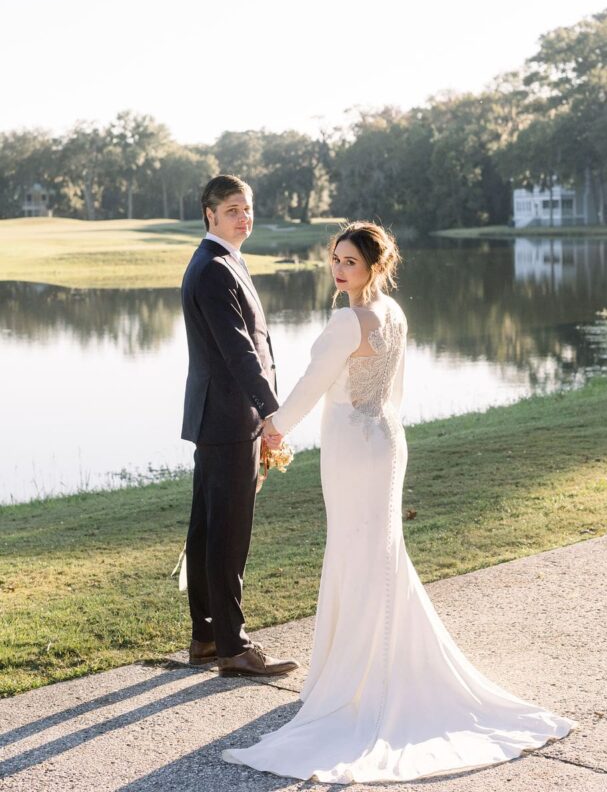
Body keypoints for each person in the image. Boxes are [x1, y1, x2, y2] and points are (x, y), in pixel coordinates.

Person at [222, 220, 574, 783]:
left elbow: (312, 387)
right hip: (385, 439)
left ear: (373, 267)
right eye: (334, 259)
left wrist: (273, 431)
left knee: (357, 555)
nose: (338, 269)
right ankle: (370, 667)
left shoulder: (347, 320)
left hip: (351, 448)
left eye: (349, 263)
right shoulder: (394, 313)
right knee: (378, 553)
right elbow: (397, 389)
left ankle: (357, 680)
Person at [180, 174, 298, 678]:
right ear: (210, 213)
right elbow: (240, 353)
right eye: (232, 210)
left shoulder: (224, 260)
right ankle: (233, 647)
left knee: (210, 529)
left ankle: (207, 638)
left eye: (247, 208)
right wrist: (273, 415)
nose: (243, 218)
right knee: (228, 536)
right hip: (230, 420)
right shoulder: (212, 269)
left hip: (221, 418)